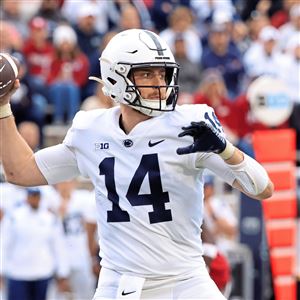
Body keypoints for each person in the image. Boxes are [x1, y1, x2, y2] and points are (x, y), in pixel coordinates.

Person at [0, 29, 274, 299]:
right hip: (118, 283)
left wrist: (226, 150)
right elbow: (20, 171)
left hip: (184, 280)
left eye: (163, 73)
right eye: (146, 73)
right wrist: (2, 107)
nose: (159, 83)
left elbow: (263, 189)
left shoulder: (190, 126)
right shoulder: (91, 131)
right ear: (115, 77)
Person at [0, 187, 70, 300]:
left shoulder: (49, 219)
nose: (34, 199)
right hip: (18, 273)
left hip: (43, 273)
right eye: (32, 196)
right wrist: (1, 270)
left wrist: (62, 272)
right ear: (27, 197)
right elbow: (4, 244)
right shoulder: (14, 217)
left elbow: (58, 246)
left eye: (37, 196)